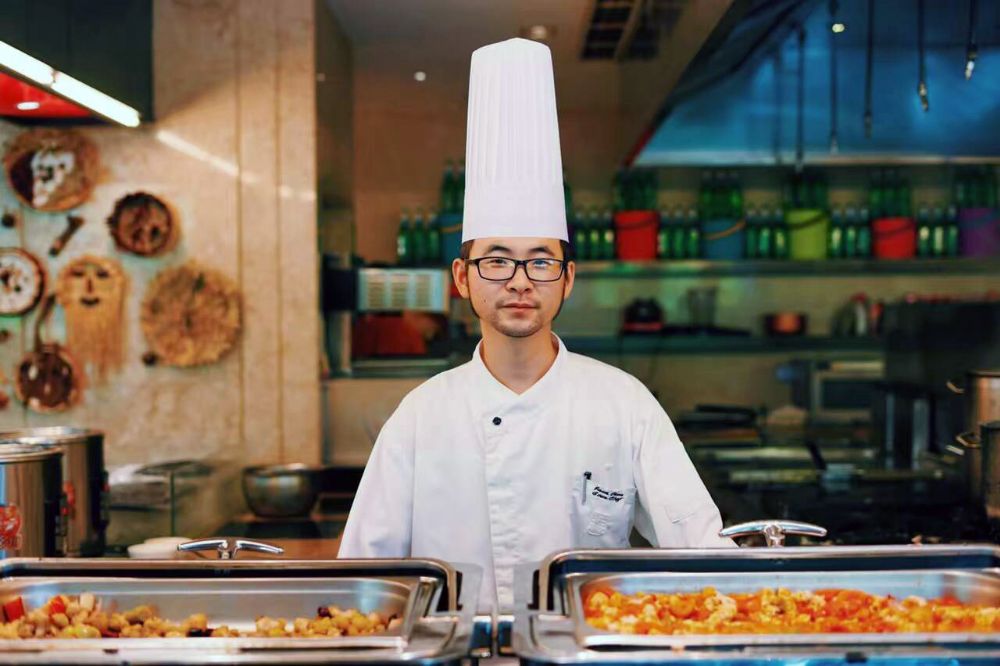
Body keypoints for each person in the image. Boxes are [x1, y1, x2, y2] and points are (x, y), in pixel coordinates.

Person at [339, 37, 735, 612]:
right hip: (454, 652)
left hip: (588, 650)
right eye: (497, 260)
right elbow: (364, 586)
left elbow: (704, 555)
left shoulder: (624, 405)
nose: (520, 281)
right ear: (462, 277)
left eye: (541, 261)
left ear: (568, 278)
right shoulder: (420, 419)